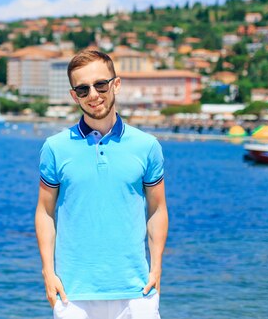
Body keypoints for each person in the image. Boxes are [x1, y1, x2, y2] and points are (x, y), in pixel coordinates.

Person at [35, 50, 168, 319]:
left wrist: (156, 268)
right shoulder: (54, 148)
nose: (93, 95)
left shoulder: (147, 146)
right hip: (72, 293)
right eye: (83, 89)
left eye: (100, 84)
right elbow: (45, 212)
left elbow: (157, 209)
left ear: (115, 84)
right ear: (74, 96)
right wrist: (48, 272)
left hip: (137, 290)